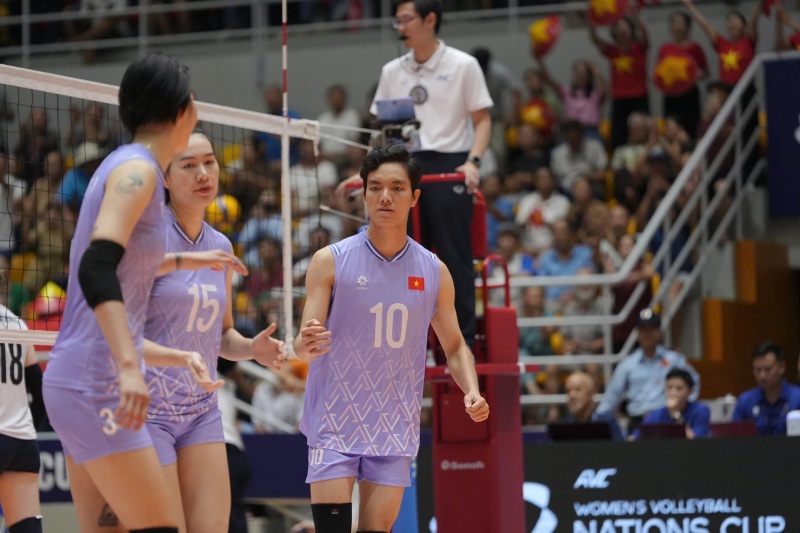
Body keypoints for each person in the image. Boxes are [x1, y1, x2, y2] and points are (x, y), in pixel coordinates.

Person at [41, 52, 199, 533]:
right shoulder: (141, 171)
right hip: (97, 381)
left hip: (83, 379)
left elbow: (125, 264)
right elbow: (96, 265)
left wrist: (190, 259)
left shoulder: (125, 165)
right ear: (180, 110)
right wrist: (130, 370)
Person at [295, 144, 489, 533]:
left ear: (415, 197)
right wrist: (305, 344)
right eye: (376, 187)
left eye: (397, 188)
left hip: (394, 425)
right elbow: (303, 343)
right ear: (363, 193)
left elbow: (453, 346)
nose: (386, 196)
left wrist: (471, 388)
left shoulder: (435, 271)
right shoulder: (329, 260)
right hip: (335, 420)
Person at [142, 131, 287, 532]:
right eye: (189, 165)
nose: (203, 172)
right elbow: (120, 333)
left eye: (209, 161)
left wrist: (251, 349)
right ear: (165, 178)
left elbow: (221, 337)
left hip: (202, 411)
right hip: (149, 409)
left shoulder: (221, 245)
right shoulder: (147, 238)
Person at [337, 0, 493, 344]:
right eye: (397, 21)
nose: (400, 27)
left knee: (453, 258)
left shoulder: (463, 65)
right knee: (400, 258)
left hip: (450, 167)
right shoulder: (393, 71)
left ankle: (460, 344)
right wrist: (364, 174)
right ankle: (407, 342)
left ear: (430, 20)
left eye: (406, 20)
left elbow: (482, 121)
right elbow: (382, 132)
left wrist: (473, 162)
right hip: (402, 166)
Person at [596, 309, 700, 433]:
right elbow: (612, 397)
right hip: (638, 422)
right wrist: (597, 419)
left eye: (651, 329)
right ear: (638, 333)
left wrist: (685, 406)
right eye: (643, 330)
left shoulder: (673, 359)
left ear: (659, 332)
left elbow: (694, 381)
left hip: (666, 419)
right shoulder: (627, 364)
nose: (647, 334)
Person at [0, 298, 45, 533]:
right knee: (27, 528)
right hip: (22, 442)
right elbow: (40, 393)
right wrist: (27, 429)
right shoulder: (17, 323)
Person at [589, 6, 650, 149]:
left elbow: (645, 35)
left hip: (639, 96)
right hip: (619, 98)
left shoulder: (639, 47)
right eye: (617, 27)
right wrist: (592, 20)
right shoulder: (612, 51)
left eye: (624, 26)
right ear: (614, 31)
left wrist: (636, 18)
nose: (621, 30)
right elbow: (594, 39)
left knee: (644, 132)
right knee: (618, 134)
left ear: (631, 29)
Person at [732, 341, 800, 436]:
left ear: (782, 367)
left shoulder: (797, 398)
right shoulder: (745, 401)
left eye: (767, 369)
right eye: (758, 370)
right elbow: (734, 439)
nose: (762, 376)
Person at [632, 367, 710, 439]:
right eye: (669, 387)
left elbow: (695, 441)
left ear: (689, 391)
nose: (673, 392)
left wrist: (675, 413)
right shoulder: (658, 413)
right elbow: (636, 436)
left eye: (679, 388)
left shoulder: (701, 411)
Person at [562, 371, 624, 441]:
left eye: (578, 390)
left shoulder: (606, 423)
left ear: (591, 393)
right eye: (568, 391)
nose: (572, 395)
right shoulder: (564, 425)